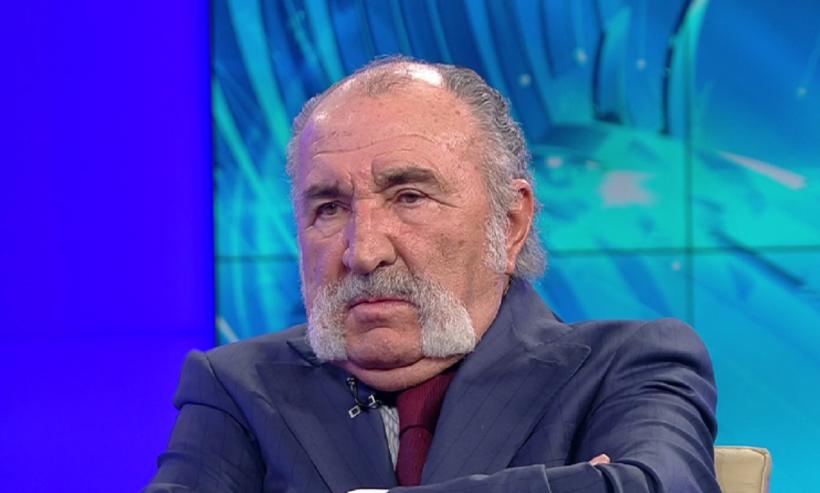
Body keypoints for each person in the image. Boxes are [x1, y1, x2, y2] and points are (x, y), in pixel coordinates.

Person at [145, 56, 719, 493]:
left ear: (510, 222)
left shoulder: (627, 364)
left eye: (409, 196)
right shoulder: (239, 385)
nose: (363, 252)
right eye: (329, 208)